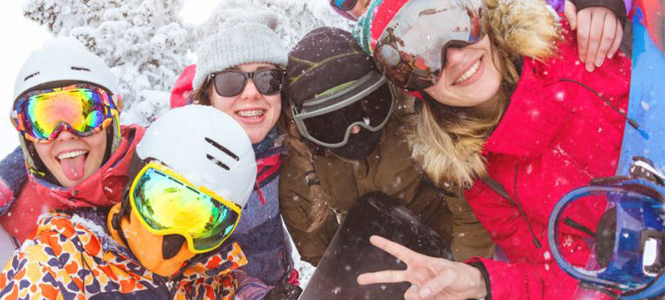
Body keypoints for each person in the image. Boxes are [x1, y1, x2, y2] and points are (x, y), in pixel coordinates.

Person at [351, 0, 631, 299]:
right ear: (418, 88)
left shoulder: (572, 41)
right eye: (422, 60)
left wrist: (605, 7)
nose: (456, 56)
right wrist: (485, 282)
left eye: (456, 25)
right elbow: (573, 276)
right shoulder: (482, 180)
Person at [278, 26, 494, 265]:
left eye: (367, 106)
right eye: (331, 122)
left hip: (450, 245)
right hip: (377, 265)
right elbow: (323, 255)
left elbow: (472, 214)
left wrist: (463, 276)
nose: (356, 129)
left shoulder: (414, 121)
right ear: (304, 125)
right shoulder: (301, 166)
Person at [0, 105, 257, 299]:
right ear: (133, 184)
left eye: (203, 221)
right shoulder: (58, 264)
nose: (174, 237)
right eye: (164, 203)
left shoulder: (209, 276)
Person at [0, 37, 144, 271]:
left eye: (85, 113)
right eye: (42, 121)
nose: (64, 134)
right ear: (25, 134)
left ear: (114, 114)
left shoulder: (154, 172)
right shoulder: (19, 214)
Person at [187, 19, 298, 298]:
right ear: (207, 95)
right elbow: (189, 268)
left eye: (267, 79)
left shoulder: (286, 147)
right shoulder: (185, 171)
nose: (251, 93)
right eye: (229, 81)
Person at [332, 0, 631, 72]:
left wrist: (598, 3)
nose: (361, 3)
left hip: (611, 67)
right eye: (344, 0)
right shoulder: (390, 67)